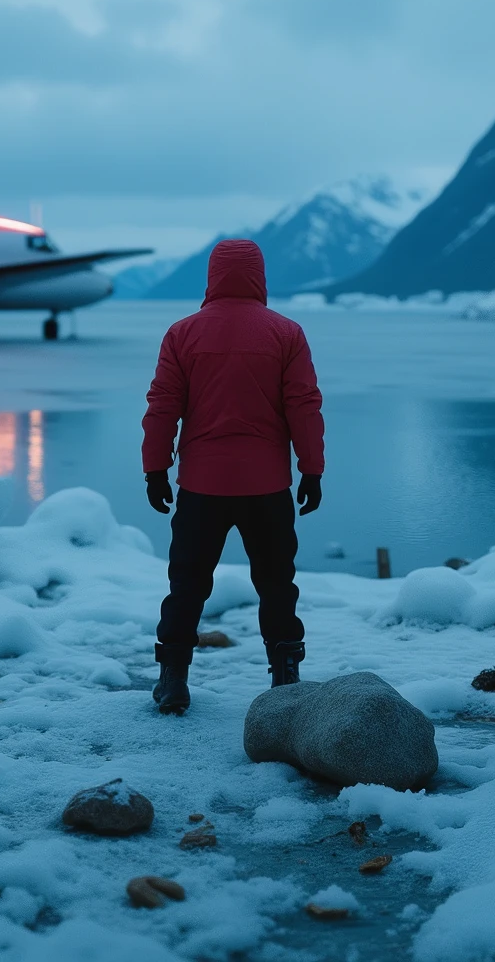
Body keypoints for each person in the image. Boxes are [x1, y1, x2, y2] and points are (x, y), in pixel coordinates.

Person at [141, 238, 324, 715]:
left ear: (212, 275)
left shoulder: (183, 334)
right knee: (277, 584)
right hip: (267, 488)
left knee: (187, 584)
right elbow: (304, 407)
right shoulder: (286, 334)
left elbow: (163, 407)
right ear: (260, 275)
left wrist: (155, 468)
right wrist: (312, 469)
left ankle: (173, 680)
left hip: (202, 487)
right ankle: (285, 680)